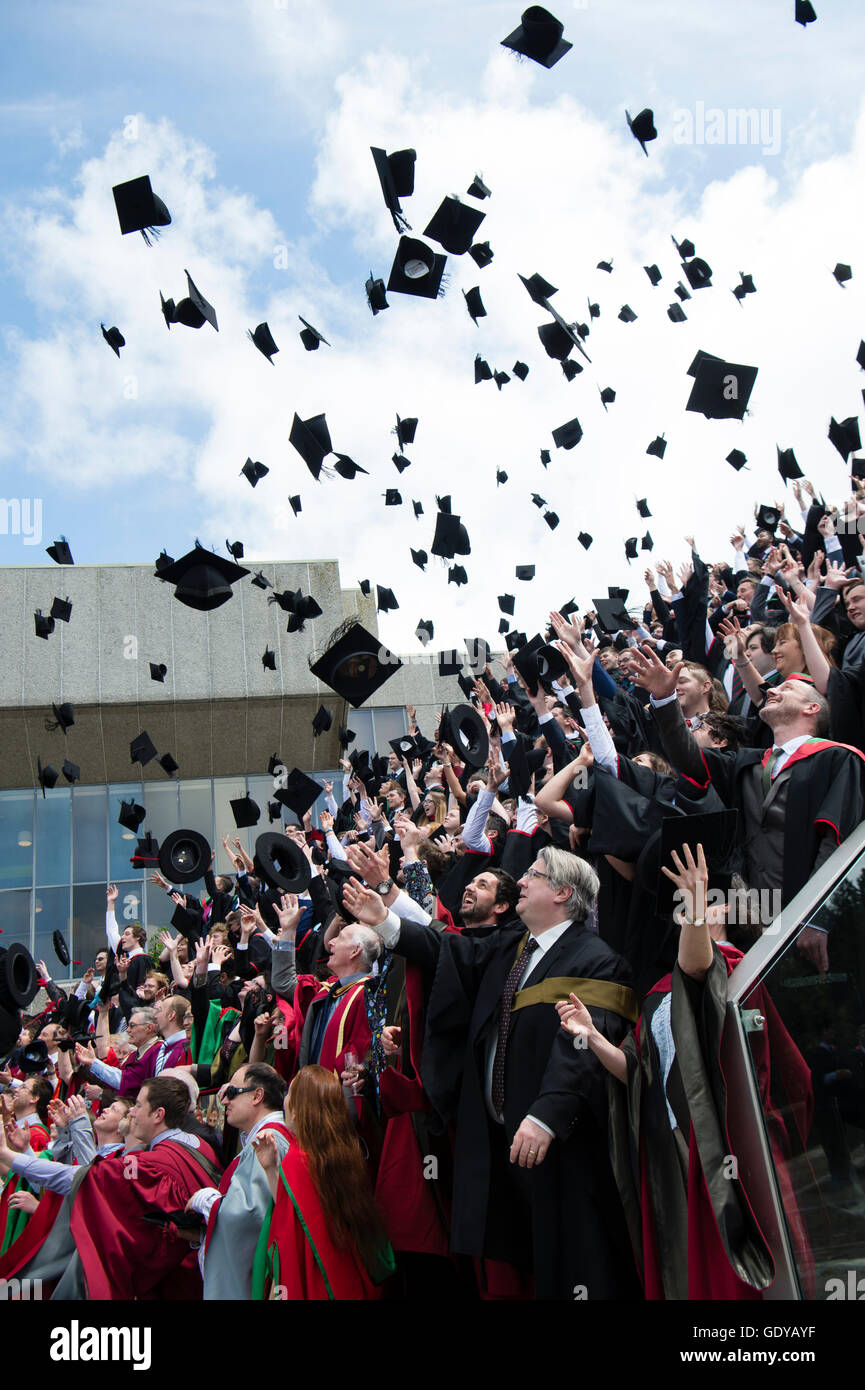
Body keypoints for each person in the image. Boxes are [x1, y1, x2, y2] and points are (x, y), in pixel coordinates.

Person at [342, 847, 641, 1300]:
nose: (520, 882)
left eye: (533, 876)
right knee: (523, 1267)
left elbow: (581, 1047)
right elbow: (448, 949)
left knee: (577, 1263)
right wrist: (385, 920)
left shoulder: (597, 960)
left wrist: (546, 1116)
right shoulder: (515, 947)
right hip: (502, 1140)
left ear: (562, 892)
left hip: (560, 1147)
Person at [629, 644, 865, 967]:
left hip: (812, 924)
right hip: (755, 923)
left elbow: (836, 840)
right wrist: (665, 702)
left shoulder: (838, 758)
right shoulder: (747, 764)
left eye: (787, 687)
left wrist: (817, 916)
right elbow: (687, 756)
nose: (774, 690)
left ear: (812, 708)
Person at [57, 1076, 222, 1299]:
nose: (132, 1112)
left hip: (178, 1284)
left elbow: (90, 1178)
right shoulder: (198, 1145)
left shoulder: (153, 1165)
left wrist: (10, 1157)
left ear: (158, 1114)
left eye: (138, 1105)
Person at [252, 1066, 393, 1299]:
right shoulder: (346, 1153)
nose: (284, 1101)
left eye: (289, 1094)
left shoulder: (298, 1160)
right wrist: (270, 1167)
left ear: (297, 1110)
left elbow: (288, 1232)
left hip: (313, 1283)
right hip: (348, 1278)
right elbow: (298, 1213)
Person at [184, 1062, 290, 1299]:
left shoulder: (268, 1140)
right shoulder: (265, 1137)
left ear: (257, 1096)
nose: (224, 1101)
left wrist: (207, 1201)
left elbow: (249, 1215)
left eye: (231, 1092)